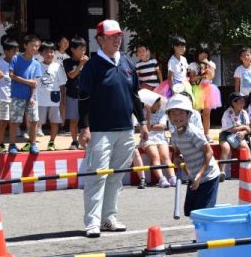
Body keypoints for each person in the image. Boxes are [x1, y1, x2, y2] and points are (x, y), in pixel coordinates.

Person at [77, 20, 148, 238]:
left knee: (116, 176)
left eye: (118, 36)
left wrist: (142, 122)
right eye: (111, 37)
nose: (117, 40)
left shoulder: (127, 62)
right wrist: (84, 127)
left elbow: (135, 95)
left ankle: (109, 217)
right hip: (100, 130)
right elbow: (84, 98)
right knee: (96, 176)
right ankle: (93, 221)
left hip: (126, 129)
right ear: (100, 39)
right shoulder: (92, 66)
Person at [166, 95, 221, 216]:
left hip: (208, 176)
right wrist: (176, 158)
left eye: (181, 113)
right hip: (193, 176)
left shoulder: (193, 132)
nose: (177, 117)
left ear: (188, 115)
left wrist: (200, 175)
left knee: (202, 213)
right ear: (169, 116)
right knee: (190, 211)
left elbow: (209, 152)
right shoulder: (174, 135)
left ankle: (209, 230)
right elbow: (176, 151)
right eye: (173, 114)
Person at [8, 34, 43, 155]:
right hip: (17, 95)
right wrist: (26, 81)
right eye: (33, 45)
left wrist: (33, 96)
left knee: (33, 121)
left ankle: (32, 144)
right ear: (25, 45)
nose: (35, 48)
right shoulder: (16, 59)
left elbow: (35, 82)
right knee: (15, 121)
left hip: (32, 97)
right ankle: (12, 145)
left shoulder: (36, 63)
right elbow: (11, 75)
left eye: (37, 46)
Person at [36, 41, 68, 151]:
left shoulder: (58, 67)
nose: (49, 54)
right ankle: (32, 142)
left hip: (54, 99)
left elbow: (62, 84)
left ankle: (51, 142)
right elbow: (33, 82)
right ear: (41, 53)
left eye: (52, 52)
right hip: (40, 99)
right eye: (46, 52)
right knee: (36, 122)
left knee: (54, 122)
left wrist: (63, 99)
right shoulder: (37, 65)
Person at [141, 92, 176, 188]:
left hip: (161, 137)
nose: (160, 105)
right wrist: (148, 114)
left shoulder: (162, 112)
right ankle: (161, 179)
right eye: (157, 103)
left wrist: (150, 126)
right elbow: (146, 128)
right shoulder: (143, 112)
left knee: (166, 157)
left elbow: (162, 126)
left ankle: (173, 177)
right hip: (148, 138)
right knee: (155, 157)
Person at [189, 44, 222, 141]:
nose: (203, 56)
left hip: (208, 89)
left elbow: (211, 76)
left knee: (207, 113)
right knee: (196, 113)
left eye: (205, 53)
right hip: (197, 89)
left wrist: (208, 66)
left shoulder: (211, 64)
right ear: (197, 54)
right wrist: (201, 75)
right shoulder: (192, 65)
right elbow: (191, 79)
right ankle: (196, 133)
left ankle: (206, 134)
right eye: (201, 53)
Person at [63, 37, 88, 150]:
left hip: (86, 95)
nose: (83, 52)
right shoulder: (67, 61)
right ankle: (74, 141)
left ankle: (86, 140)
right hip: (72, 94)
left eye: (84, 49)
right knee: (74, 120)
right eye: (80, 49)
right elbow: (71, 75)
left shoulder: (88, 62)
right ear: (72, 49)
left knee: (86, 120)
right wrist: (81, 64)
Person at [0, 38, 18, 153]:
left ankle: (12, 144)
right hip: (3, 97)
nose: (16, 53)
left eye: (17, 51)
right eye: (14, 51)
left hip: (16, 97)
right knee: (4, 121)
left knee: (14, 122)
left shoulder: (18, 63)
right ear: (6, 51)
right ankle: (1, 144)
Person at [218, 92, 251, 178]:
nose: (242, 104)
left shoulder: (244, 113)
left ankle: (248, 172)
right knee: (226, 148)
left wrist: (243, 133)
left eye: (243, 101)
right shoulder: (227, 113)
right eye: (240, 101)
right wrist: (243, 127)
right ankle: (221, 172)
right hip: (226, 135)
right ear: (233, 103)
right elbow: (229, 129)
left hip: (238, 135)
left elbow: (248, 129)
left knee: (245, 148)